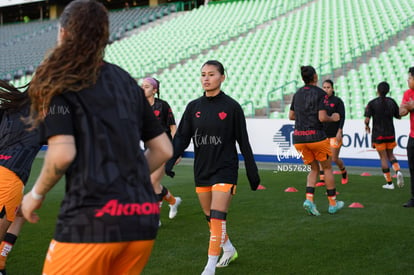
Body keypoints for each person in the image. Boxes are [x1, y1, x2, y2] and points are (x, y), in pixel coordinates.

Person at [20, 1, 172, 274]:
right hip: (141, 218)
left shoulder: (58, 77)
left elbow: (63, 153)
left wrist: (35, 194)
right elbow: (163, 150)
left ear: (64, 33)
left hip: (92, 220)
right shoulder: (125, 80)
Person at [165, 60, 260, 275]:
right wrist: (170, 160)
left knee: (217, 216)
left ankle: (209, 267)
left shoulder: (232, 107)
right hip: (202, 169)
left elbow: (243, 141)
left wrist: (252, 172)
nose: (206, 78)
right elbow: (181, 138)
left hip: (225, 169)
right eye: (203, 75)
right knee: (210, 216)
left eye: (211, 74)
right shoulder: (193, 107)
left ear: (222, 77)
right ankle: (228, 248)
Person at [289, 65, 344, 216]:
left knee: (313, 169)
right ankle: (333, 204)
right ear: (315, 77)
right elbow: (322, 117)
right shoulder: (321, 93)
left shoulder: (297, 93)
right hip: (316, 137)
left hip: (299, 138)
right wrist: (333, 117)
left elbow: (291, 116)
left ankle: (309, 200)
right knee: (326, 168)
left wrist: (305, 116)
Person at [0, 80, 42, 274]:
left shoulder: (8, 109)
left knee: (21, 214)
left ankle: (1, 260)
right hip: (9, 178)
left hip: (8, 175)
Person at [141, 77, 182, 223]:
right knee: (151, 182)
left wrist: (176, 150)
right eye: (142, 86)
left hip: (164, 149)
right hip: (149, 150)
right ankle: (173, 201)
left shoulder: (163, 106)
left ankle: (155, 217)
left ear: (155, 90)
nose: (142, 88)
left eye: (146, 86)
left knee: (152, 181)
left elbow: (172, 127)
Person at [364, 81, 403, 190]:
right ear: (388, 90)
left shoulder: (372, 103)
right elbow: (399, 116)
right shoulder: (392, 102)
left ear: (378, 90)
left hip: (378, 134)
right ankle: (398, 171)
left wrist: (367, 126)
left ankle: (390, 183)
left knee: (383, 158)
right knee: (391, 155)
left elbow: (367, 119)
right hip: (390, 133)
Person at [317, 79, 348, 186]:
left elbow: (342, 117)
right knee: (322, 157)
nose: (326, 89)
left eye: (328, 87)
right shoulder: (320, 101)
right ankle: (322, 179)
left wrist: (340, 131)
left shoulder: (337, 101)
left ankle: (343, 171)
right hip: (323, 134)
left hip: (335, 134)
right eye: (324, 87)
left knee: (334, 158)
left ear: (333, 88)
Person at [399, 67, 414, 207]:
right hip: (412, 136)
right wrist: (410, 107)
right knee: (412, 168)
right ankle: (413, 198)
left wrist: (411, 106)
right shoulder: (407, 93)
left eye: (409, 78)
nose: (407, 80)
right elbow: (402, 111)